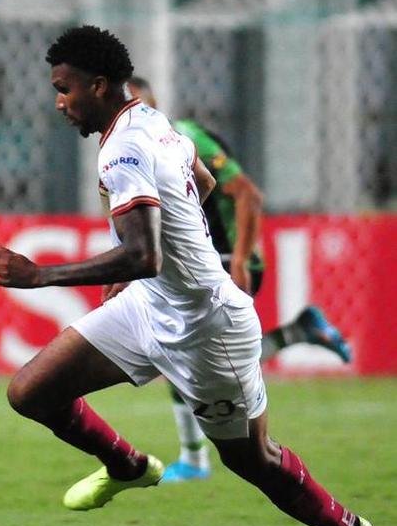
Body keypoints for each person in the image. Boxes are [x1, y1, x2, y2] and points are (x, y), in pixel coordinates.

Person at [0, 25, 374, 526]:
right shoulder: (153, 122)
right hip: (149, 308)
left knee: (251, 459)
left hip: (209, 327)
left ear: (101, 84)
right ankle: (126, 465)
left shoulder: (123, 149)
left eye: (65, 89)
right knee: (31, 391)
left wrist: (39, 275)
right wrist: (146, 258)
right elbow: (201, 184)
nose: (59, 103)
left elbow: (145, 255)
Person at [126, 76, 352, 484]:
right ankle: (299, 333)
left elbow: (248, 194)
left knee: (188, 356)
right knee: (196, 358)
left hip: (227, 260)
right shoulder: (140, 149)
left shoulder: (183, 136)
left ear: (149, 106)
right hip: (210, 261)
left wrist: (242, 259)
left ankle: (196, 461)